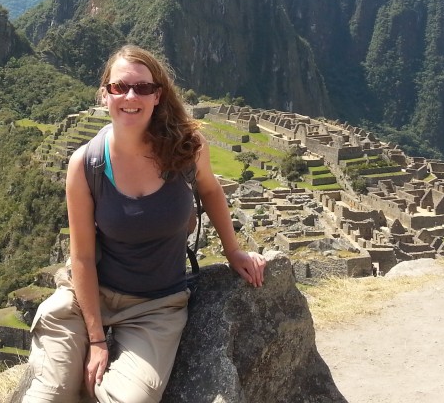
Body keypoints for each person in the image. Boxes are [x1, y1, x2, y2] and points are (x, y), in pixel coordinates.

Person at [19, 45, 266, 403]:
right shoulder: (85, 164)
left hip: (156, 306)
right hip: (84, 299)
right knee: (48, 397)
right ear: (105, 94)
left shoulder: (187, 149)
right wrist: (97, 340)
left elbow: (211, 189)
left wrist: (234, 251)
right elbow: (83, 259)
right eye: (120, 87)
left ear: (157, 96)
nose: (130, 96)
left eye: (142, 88)